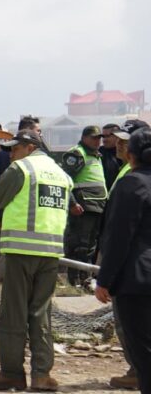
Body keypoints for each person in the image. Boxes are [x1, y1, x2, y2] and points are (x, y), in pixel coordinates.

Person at [0, 130, 72, 392]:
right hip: (51, 252)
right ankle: (42, 375)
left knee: (14, 313)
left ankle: (11, 373)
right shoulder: (59, 173)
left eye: (14, 148)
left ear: (30, 147)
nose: (11, 154)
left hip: (22, 251)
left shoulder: (22, 169)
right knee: (41, 313)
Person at [95, 127, 151, 394]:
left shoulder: (131, 183)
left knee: (144, 355)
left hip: (137, 281)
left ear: (130, 153)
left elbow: (119, 237)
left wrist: (104, 280)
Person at [61, 125, 107, 286]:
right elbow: (64, 180)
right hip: (83, 207)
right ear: (84, 137)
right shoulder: (77, 154)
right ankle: (76, 280)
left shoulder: (96, 155)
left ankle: (85, 279)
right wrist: (72, 203)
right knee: (79, 244)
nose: (98, 141)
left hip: (96, 206)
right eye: (94, 138)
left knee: (90, 245)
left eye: (99, 138)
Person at [0, 116, 42, 226]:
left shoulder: (42, 162)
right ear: (28, 130)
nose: (11, 155)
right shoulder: (6, 157)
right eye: (38, 131)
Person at [99, 123, 123, 190]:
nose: (104, 140)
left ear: (118, 136)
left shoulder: (127, 153)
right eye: (103, 136)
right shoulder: (99, 153)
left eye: (107, 136)